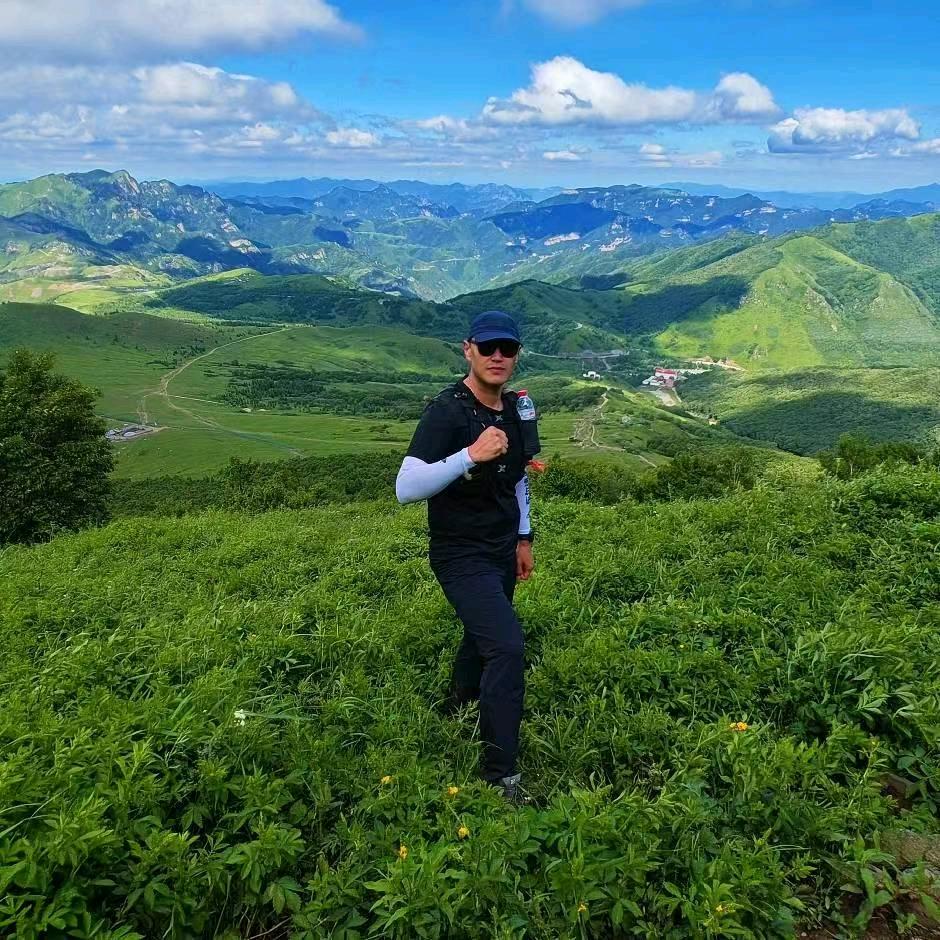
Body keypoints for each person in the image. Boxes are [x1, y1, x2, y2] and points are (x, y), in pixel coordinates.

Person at [395, 310, 535, 805]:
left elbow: (519, 477)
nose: (499, 357)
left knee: (484, 636)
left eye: (509, 349)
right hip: (459, 552)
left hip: (501, 547)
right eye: (489, 347)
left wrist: (524, 538)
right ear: (468, 349)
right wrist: (469, 456)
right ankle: (501, 775)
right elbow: (406, 487)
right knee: (508, 647)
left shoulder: (516, 411)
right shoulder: (447, 412)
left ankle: (458, 700)